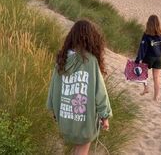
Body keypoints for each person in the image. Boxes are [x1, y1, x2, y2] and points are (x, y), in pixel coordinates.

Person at [47, 19, 112, 155]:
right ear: (92, 38)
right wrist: (104, 116)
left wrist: (53, 109)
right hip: (84, 119)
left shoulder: (62, 59)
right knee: (82, 148)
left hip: (65, 116)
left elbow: (53, 87)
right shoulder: (90, 61)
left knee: (78, 148)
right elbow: (100, 92)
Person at [135, 15, 161, 102]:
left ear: (148, 23)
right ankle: (156, 98)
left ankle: (146, 88)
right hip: (158, 58)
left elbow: (142, 47)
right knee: (156, 78)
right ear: (159, 23)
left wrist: (138, 59)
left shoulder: (146, 35)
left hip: (148, 58)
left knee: (142, 73)